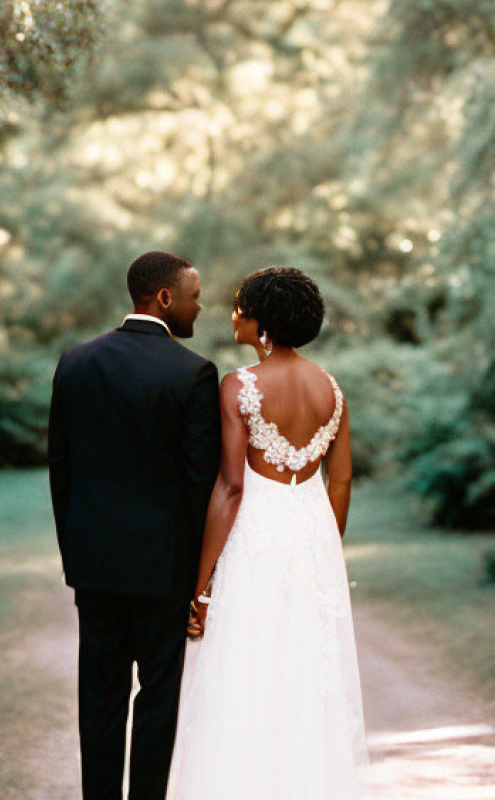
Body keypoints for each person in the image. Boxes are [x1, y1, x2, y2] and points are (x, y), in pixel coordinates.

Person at [167, 267, 368, 800]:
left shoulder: (239, 385)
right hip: (313, 535)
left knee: (246, 671)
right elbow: (341, 479)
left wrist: (201, 585)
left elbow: (231, 487)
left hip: (256, 535)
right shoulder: (332, 389)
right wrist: (328, 547)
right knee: (304, 676)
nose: (232, 314)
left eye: (240, 306)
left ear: (261, 323)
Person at [48, 251, 221, 800]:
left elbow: (62, 473)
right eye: (195, 295)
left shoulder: (74, 362)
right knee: (157, 701)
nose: (201, 305)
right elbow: (200, 485)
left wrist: (76, 556)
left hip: (94, 568)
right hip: (162, 571)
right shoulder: (193, 373)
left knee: (98, 702)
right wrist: (200, 580)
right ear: (165, 298)